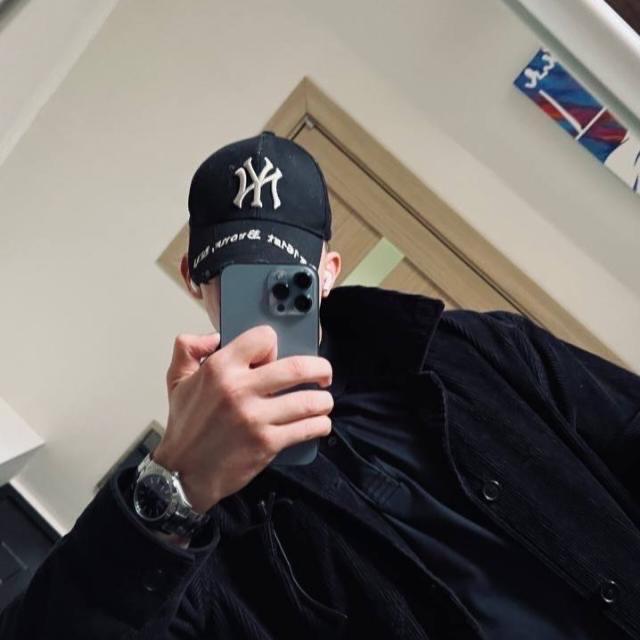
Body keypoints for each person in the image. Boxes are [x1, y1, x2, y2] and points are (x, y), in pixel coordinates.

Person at [1, 132, 639, 640]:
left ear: (327, 272)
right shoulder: (205, 519)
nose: (261, 295)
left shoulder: (482, 351)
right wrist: (176, 487)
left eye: (284, 274)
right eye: (234, 271)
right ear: (194, 277)